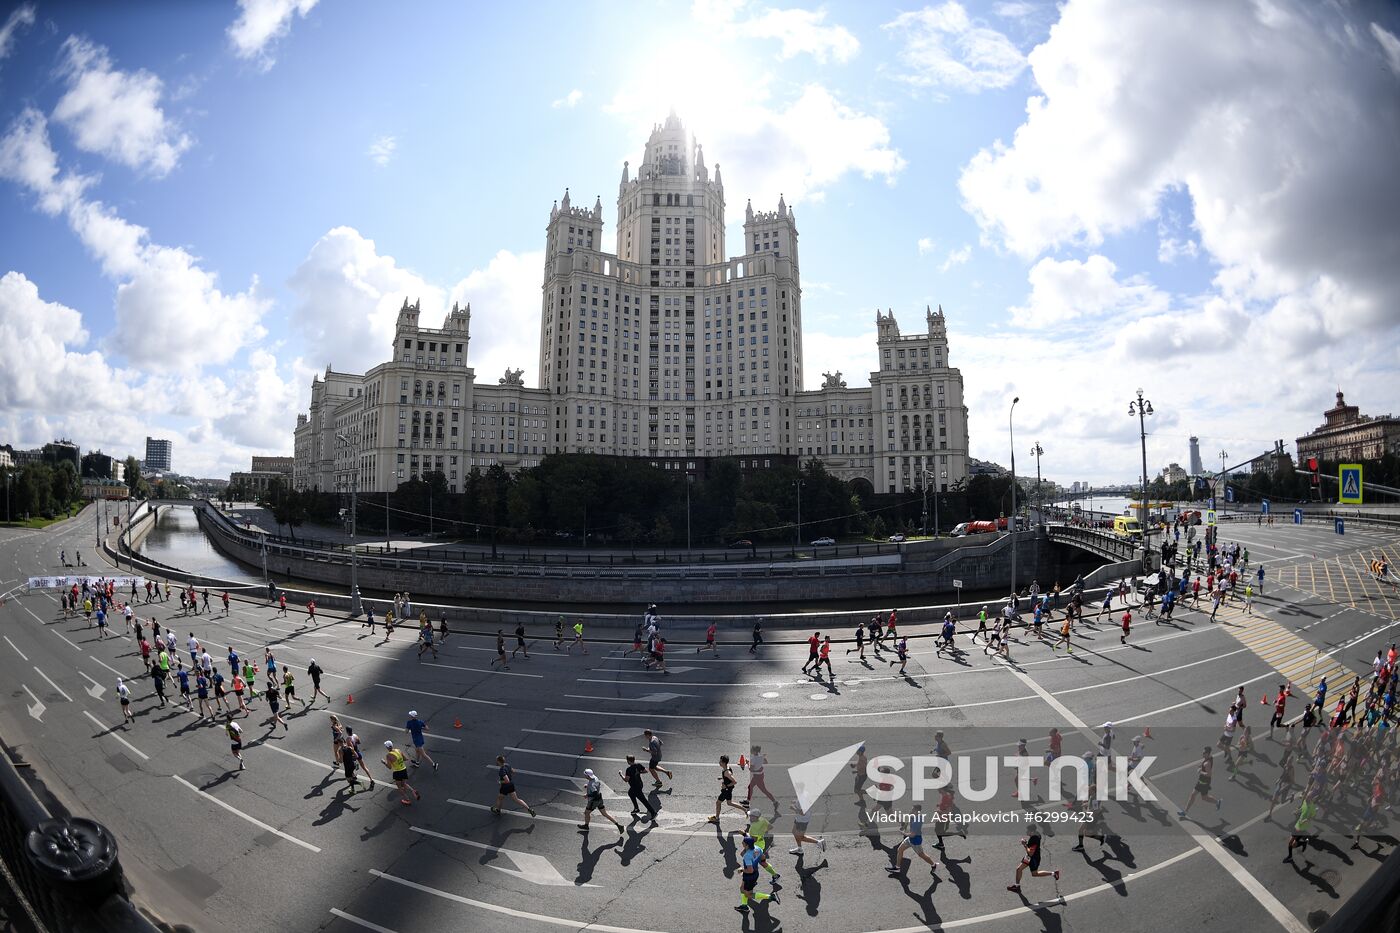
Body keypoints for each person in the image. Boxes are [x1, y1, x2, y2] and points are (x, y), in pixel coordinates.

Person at [887, 804, 938, 878]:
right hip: (910, 839)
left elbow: (913, 835)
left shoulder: (917, 821)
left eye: (912, 809)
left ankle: (934, 865)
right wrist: (904, 827)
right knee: (900, 849)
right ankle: (897, 868)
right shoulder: (914, 816)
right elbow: (908, 823)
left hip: (915, 841)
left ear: (916, 811)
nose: (911, 810)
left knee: (921, 855)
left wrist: (903, 833)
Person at [735, 835, 776, 914]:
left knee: (748, 894)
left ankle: (770, 897)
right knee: (742, 888)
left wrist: (742, 870)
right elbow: (763, 857)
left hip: (749, 876)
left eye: (743, 842)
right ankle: (744, 906)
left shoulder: (747, 856)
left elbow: (750, 870)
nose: (741, 842)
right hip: (755, 874)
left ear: (746, 845)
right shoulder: (757, 848)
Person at [1178, 747, 1222, 817]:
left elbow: (1209, 774)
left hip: (1204, 783)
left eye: (1204, 753)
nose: (1202, 754)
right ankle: (1185, 812)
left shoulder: (1207, 763)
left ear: (1207, 754)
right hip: (1201, 782)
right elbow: (1205, 764)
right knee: (1193, 795)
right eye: (1203, 752)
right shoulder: (1210, 757)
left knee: (1204, 798)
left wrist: (1200, 772)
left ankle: (1217, 802)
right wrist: (1201, 766)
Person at [578, 768, 623, 834]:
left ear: (588, 776)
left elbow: (594, 793)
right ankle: (618, 825)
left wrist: (587, 795)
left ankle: (586, 825)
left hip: (593, 801)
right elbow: (596, 786)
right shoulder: (595, 778)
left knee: (586, 813)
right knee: (604, 813)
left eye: (585, 775)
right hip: (599, 799)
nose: (584, 776)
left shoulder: (591, 784)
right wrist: (587, 786)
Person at [707, 754, 747, 824]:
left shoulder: (727, 772)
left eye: (720, 761)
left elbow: (734, 782)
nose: (719, 762)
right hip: (728, 790)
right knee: (729, 803)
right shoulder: (727, 768)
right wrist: (722, 778)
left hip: (726, 791)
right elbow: (728, 778)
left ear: (724, 763)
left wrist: (726, 786)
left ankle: (717, 818)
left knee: (718, 802)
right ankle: (745, 809)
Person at [382, 741, 420, 806]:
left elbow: (389, 767)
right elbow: (405, 759)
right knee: (404, 783)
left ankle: (407, 800)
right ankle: (413, 791)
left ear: (387, 747)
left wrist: (384, 762)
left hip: (397, 772)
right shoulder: (398, 750)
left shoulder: (388, 755)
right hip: (404, 769)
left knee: (399, 787)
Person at [619, 755, 657, 819]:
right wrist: (638, 772)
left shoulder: (629, 769)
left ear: (628, 761)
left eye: (627, 760)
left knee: (643, 800)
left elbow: (626, 780)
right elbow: (646, 771)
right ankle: (636, 808)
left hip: (635, 787)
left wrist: (621, 774)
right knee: (630, 793)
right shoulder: (638, 765)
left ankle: (653, 813)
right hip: (640, 784)